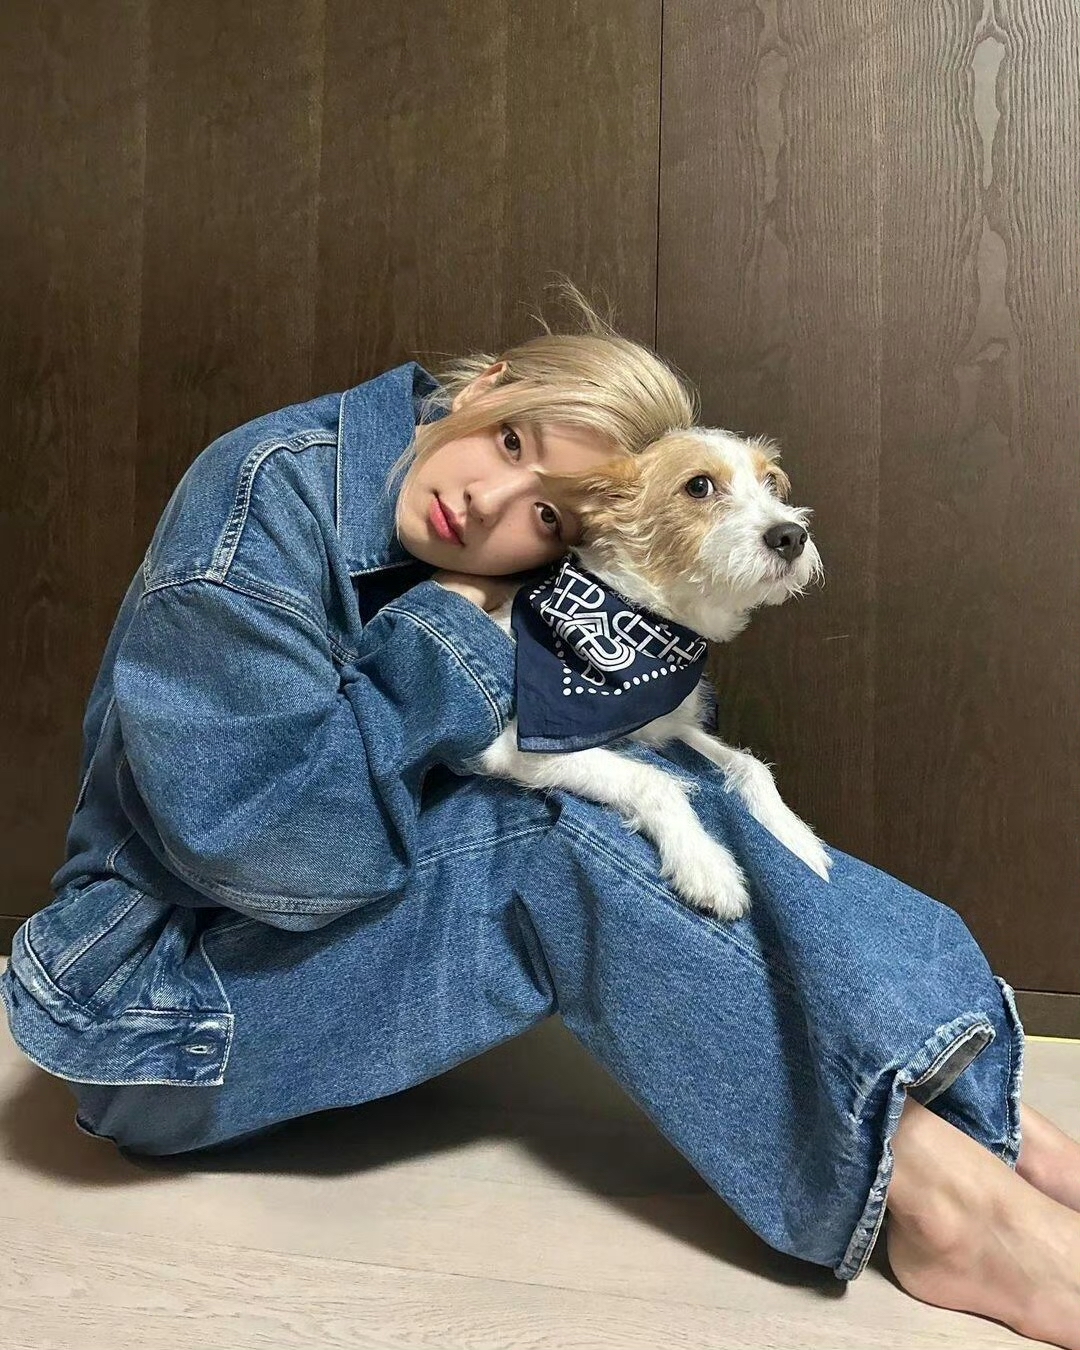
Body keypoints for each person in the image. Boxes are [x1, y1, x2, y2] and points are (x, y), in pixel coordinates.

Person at [3, 280, 1079, 1346]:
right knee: (560, 833)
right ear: (487, 385)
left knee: (690, 784)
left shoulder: (514, 567)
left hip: (249, 977)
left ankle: (984, 1122)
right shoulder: (264, 502)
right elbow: (277, 858)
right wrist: (448, 630)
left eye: (549, 515)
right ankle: (954, 1215)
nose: (487, 504)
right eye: (511, 443)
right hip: (153, 1017)